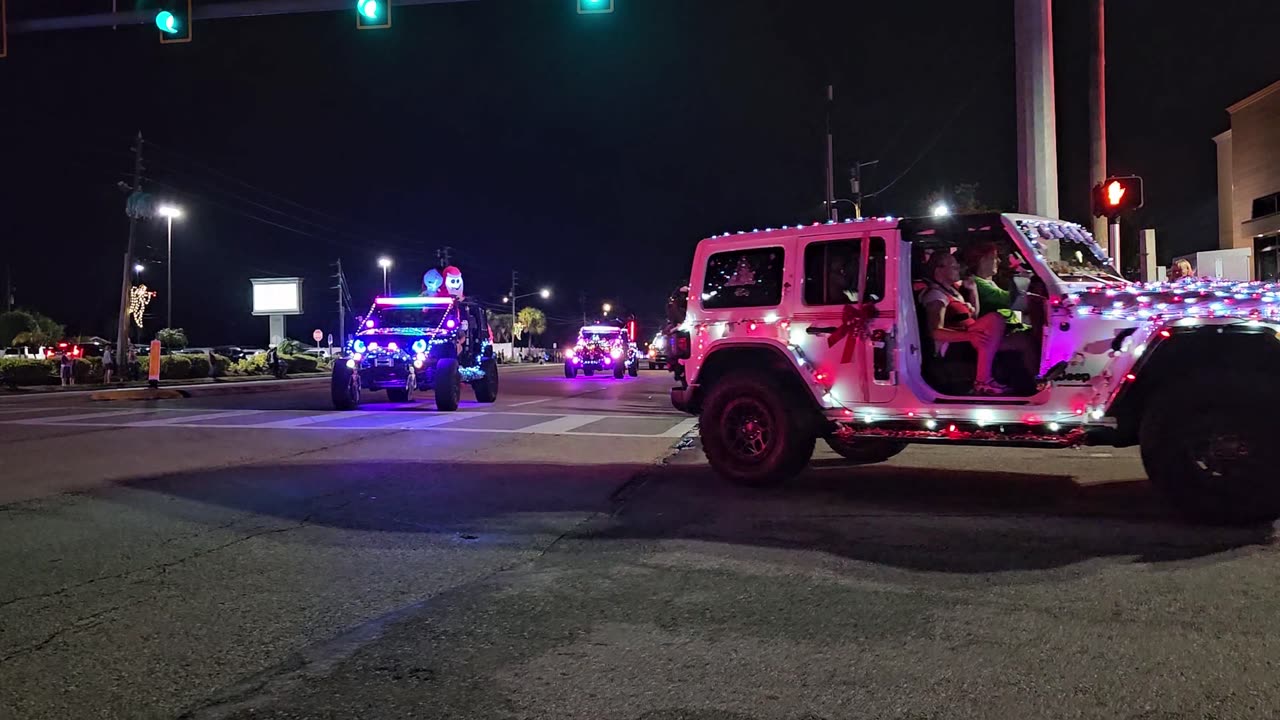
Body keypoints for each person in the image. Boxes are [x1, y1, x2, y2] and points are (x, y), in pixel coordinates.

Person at [918, 249, 1009, 395]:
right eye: (954, 267)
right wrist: (969, 336)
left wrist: (973, 291)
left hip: (970, 335)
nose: (958, 269)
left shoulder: (953, 292)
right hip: (955, 345)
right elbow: (935, 332)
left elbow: (974, 316)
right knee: (995, 318)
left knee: (1021, 341)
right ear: (939, 270)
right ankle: (982, 380)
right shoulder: (936, 297)